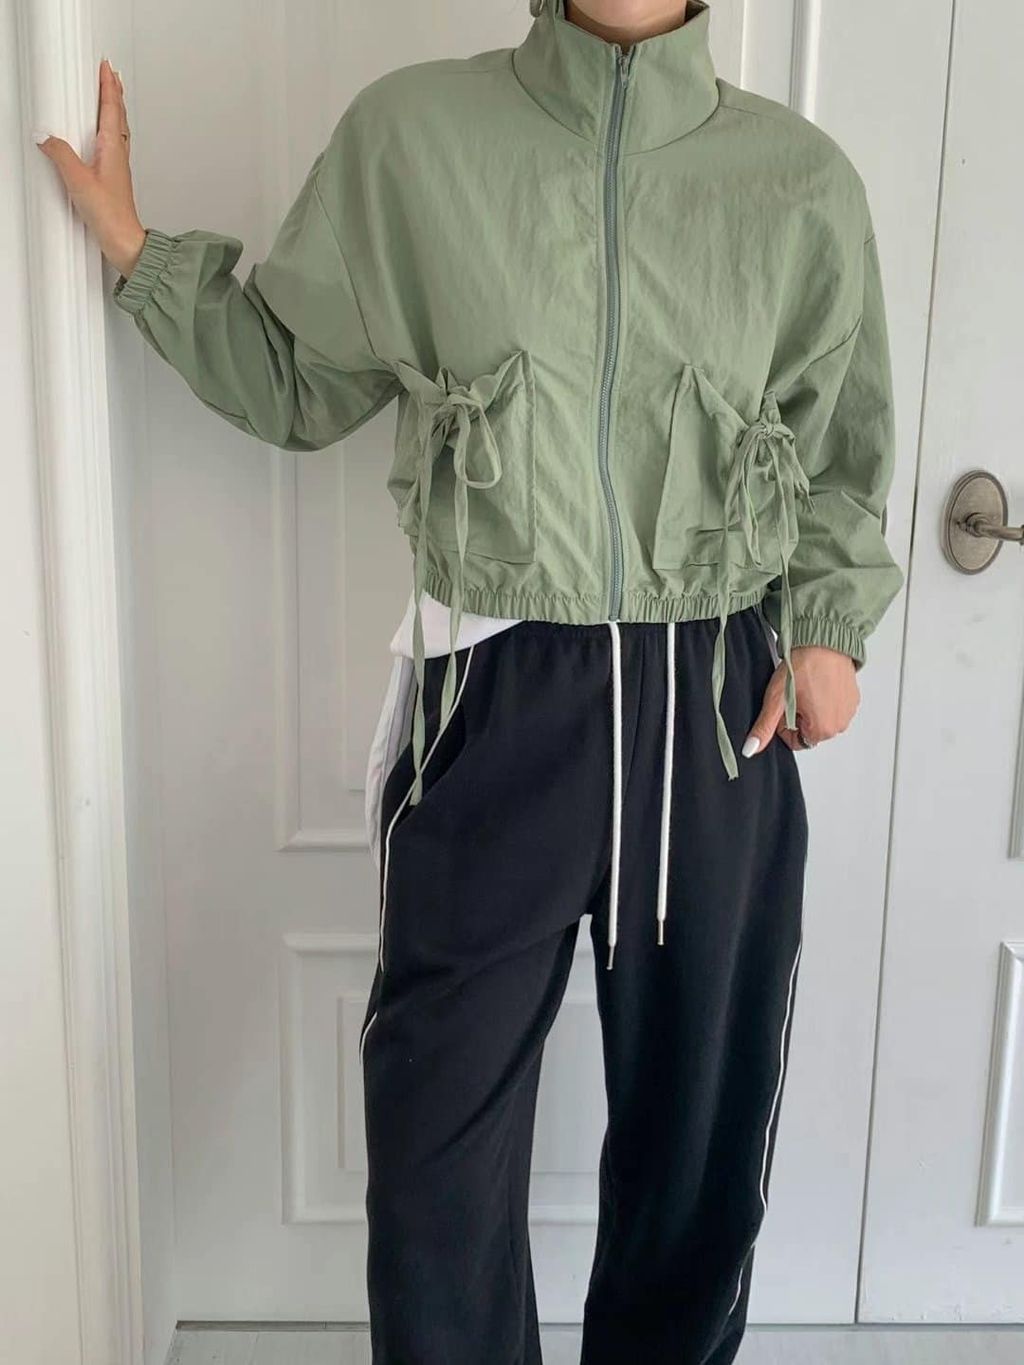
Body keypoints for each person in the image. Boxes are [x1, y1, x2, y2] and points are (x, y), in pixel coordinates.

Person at [37, 0, 903, 1360]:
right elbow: (297, 377)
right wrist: (142, 257)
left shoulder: (797, 182)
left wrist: (830, 628)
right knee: (437, 1149)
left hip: (716, 703)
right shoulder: (414, 138)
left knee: (701, 1138)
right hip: (493, 691)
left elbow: (839, 439)